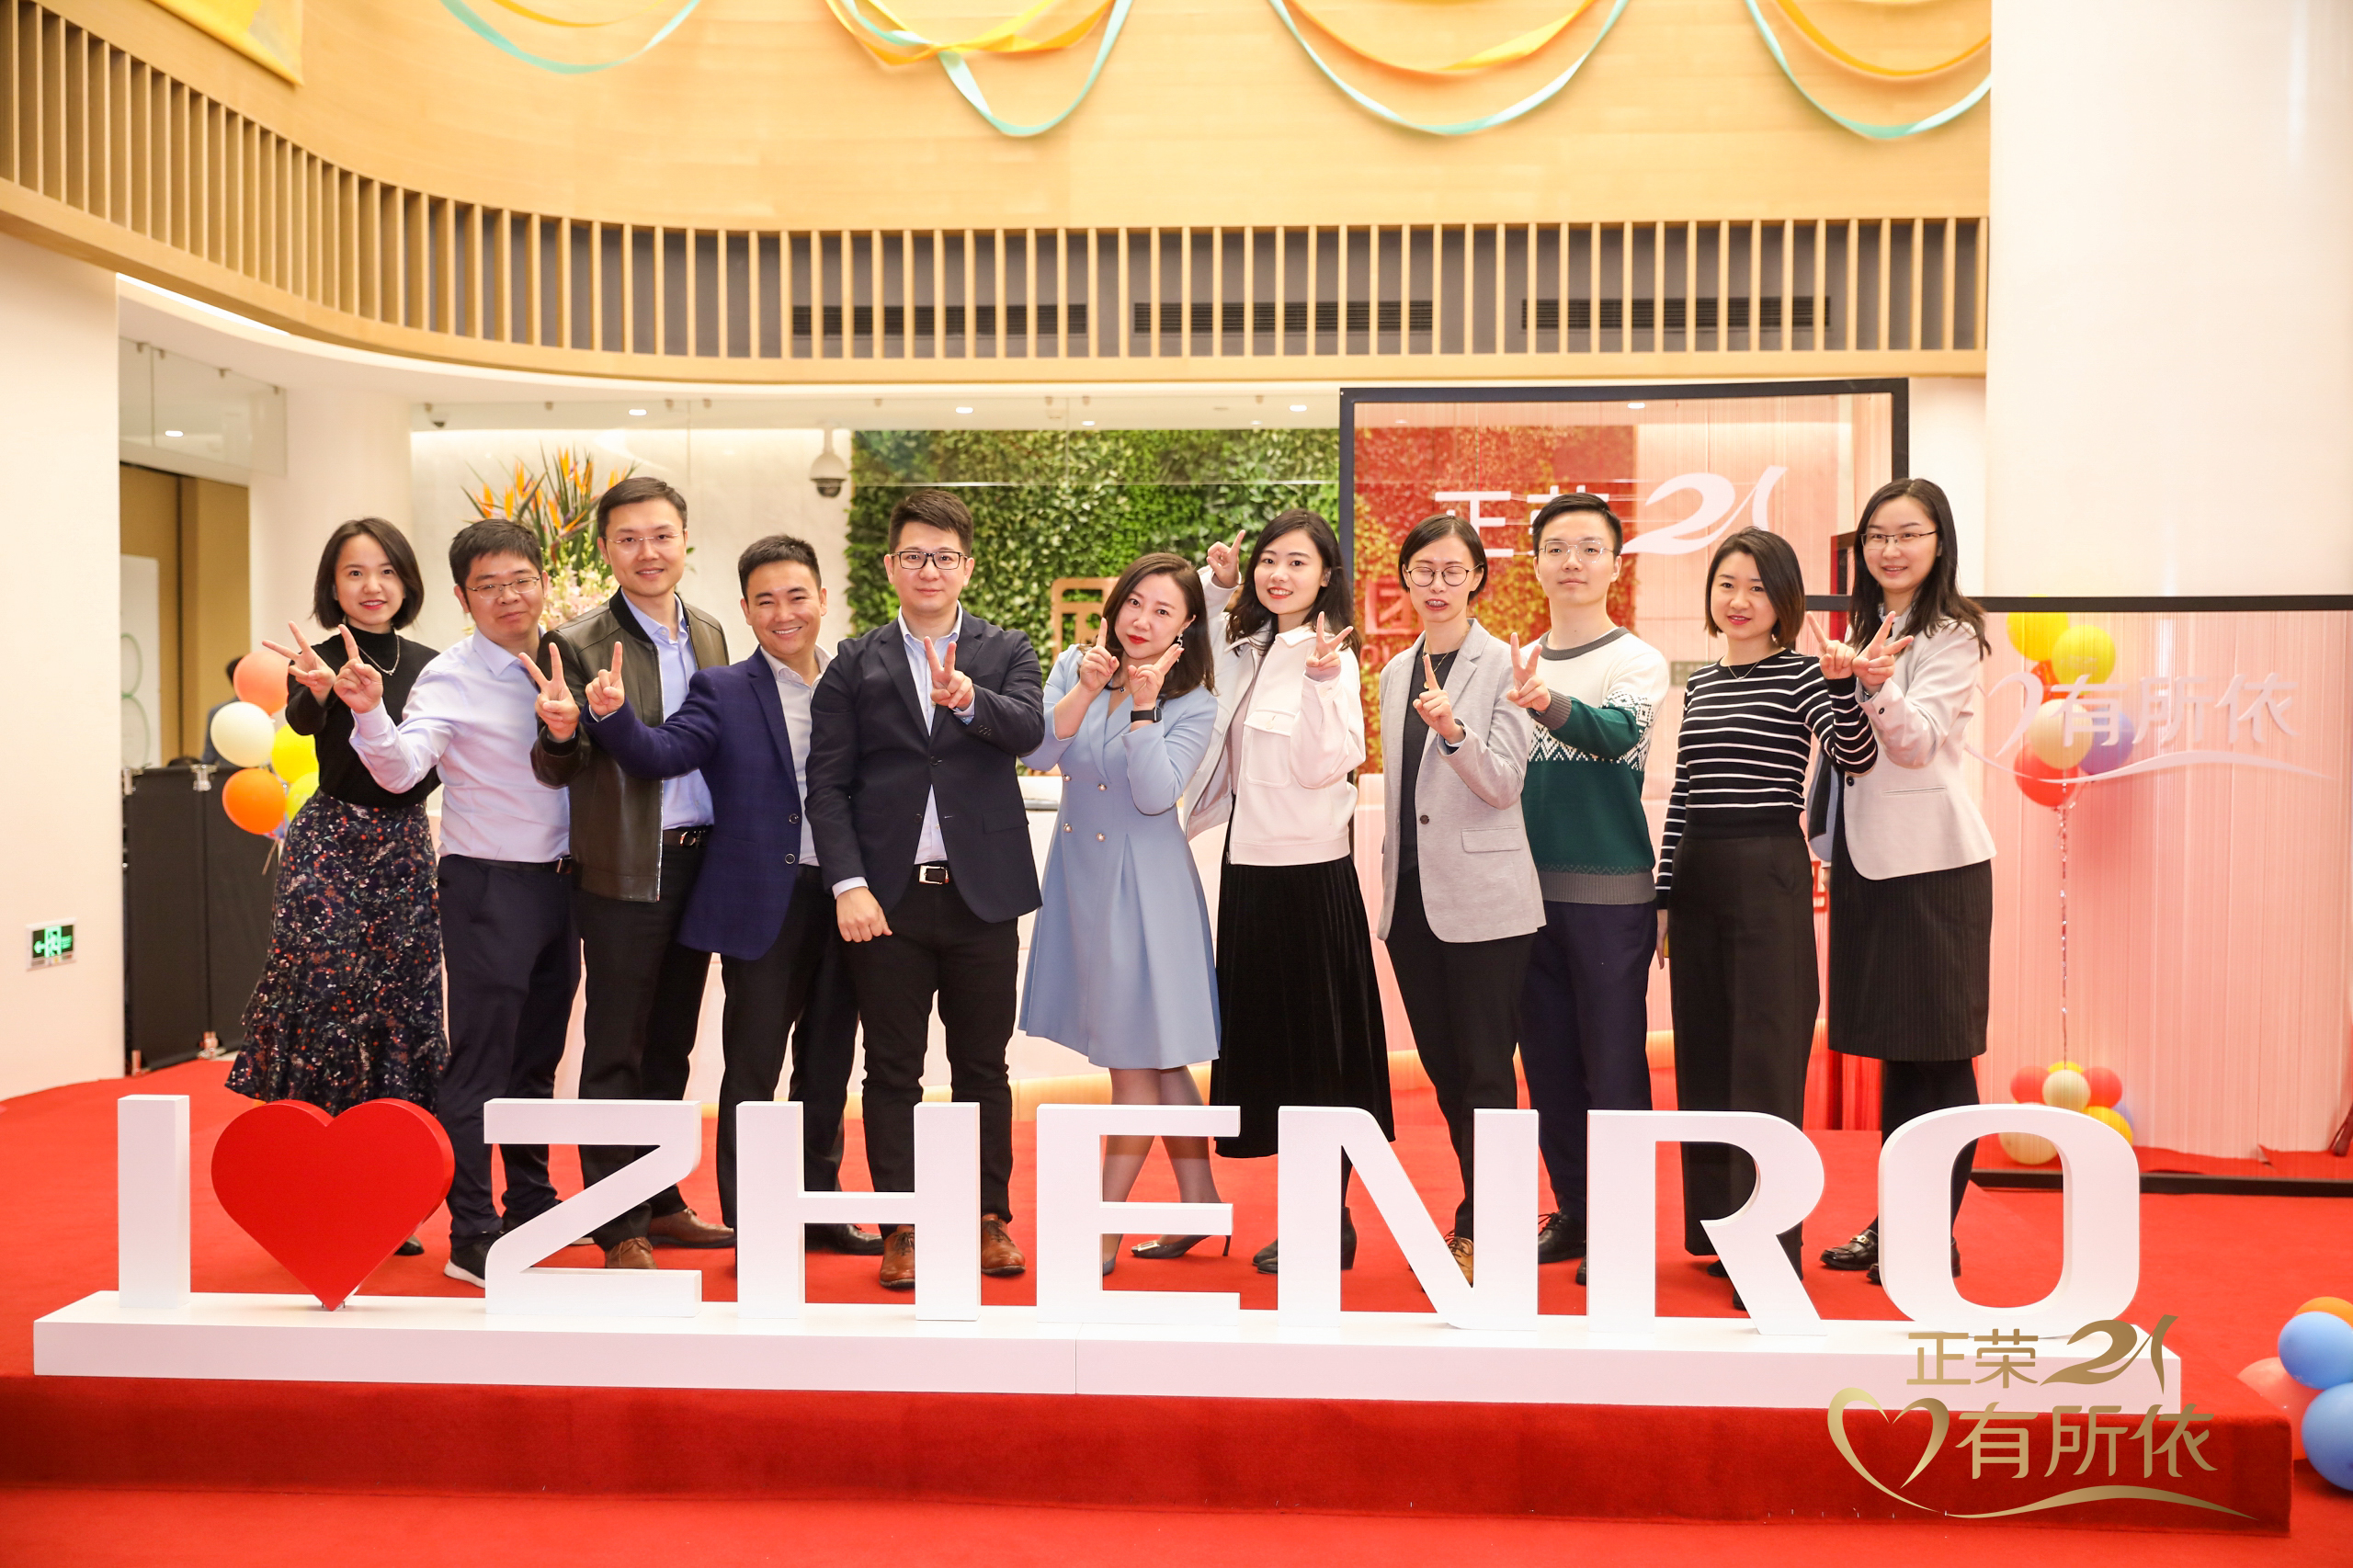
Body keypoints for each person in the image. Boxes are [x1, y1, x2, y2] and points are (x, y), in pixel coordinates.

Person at [575, 535, 881, 1257]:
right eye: (765, 600)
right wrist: (613, 716)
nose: (784, 613)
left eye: (796, 596)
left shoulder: (858, 684)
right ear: (745, 610)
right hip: (764, 902)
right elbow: (661, 753)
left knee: (828, 1062)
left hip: (850, 896)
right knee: (753, 1068)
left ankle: (818, 1205)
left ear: (823, 599)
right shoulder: (723, 689)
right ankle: (755, 1221)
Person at [806, 488, 1044, 1290]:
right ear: (890, 567)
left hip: (983, 896)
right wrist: (848, 883)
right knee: (891, 1071)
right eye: (914, 556)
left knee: (983, 1067)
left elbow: (1030, 730)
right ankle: (902, 1226)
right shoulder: (854, 662)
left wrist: (970, 700)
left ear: (967, 566)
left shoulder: (1006, 650)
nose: (929, 569)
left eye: (944, 556)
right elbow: (828, 785)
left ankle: (986, 1218)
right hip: (887, 902)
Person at [341, 518, 585, 1289]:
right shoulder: (448, 677)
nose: (509, 597)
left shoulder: (570, 659)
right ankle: (472, 1230)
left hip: (564, 885)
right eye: (488, 586)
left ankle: (532, 1202)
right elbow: (399, 771)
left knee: (538, 1057)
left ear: (543, 582)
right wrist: (370, 712)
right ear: (461, 596)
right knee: (482, 1058)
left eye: (521, 580)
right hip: (488, 886)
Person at [1657, 526, 1876, 1307]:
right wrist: (1662, 897)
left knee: (1766, 1060)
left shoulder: (1803, 676)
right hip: (1697, 875)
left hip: (1768, 872)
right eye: (1727, 584)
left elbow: (1856, 755)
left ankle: (1772, 1248)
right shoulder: (1702, 685)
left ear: (1783, 600)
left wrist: (1844, 686)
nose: (1739, 600)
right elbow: (1683, 791)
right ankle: (1722, 1231)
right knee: (1706, 1057)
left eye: (1756, 587)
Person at [529, 476, 734, 1271]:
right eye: (628, 539)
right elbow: (558, 767)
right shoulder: (575, 642)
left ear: (685, 540)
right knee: (616, 1046)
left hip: (702, 864)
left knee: (672, 1045)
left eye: (661, 535)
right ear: (607, 550)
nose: (647, 552)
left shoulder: (711, 632)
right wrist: (558, 733)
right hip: (622, 869)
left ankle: (660, 1197)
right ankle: (617, 1224)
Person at [1809, 478, 1995, 1288]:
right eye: (1878, 536)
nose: (1891, 549)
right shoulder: (1859, 629)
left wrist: (1877, 683)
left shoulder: (1952, 633)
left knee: (1940, 1056)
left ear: (1939, 543)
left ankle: (1930, 1236)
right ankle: (1897, 1221)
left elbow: (1916, 745)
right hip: (1867, 862)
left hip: (1936, 868)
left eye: (1909, 533)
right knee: (1898, 1054)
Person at [1189, 511, 1385, 1275]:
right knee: (1272, 1054)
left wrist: (1323, 684)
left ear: (1326, 576)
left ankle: (1326, 1220)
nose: (1279, 574)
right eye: (1269, 560)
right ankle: (1309, 1216)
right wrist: (1218, 584)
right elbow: (1192, 644)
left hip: (1309, 878)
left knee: (1319, 1060)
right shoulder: (1250, 645)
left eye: (1297, 563)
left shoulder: (1331, 656)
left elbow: (1322, 765)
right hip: (1249, 874)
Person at [1021, 552, 1223, 1274]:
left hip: (1147, 891)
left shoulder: (1195, 700)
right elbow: (1040, 751)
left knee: (1135, 1061)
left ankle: (1102, 1230)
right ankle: (1200, 1202)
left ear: (1186, 626)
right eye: (1135, 601)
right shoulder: (1077, 665)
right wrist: (1087, 688)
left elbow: (1154, 794)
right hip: (1082, 879)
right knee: (1159, 1056)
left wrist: (1143, 709)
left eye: (1163, 611)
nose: (1142, 620)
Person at [1500, 494, 1672, 1282]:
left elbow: (1617, 734)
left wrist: (1544, 700)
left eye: (1590, 548)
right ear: (1535, 564)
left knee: (1614, 1068)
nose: (1573, 562)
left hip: (1609, 896)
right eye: (1557, 548)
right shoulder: (1515, 658)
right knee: (1548, 1068)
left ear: (1615, 565)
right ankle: (1574, 1211)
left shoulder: (1636, 659)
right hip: (1521, 898)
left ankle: (1622, 1227)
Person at [233, 518, 446, 1143]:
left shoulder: (434, 668)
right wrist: (318, 692)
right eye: (355, 573)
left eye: (386, 571)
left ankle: (394, 1159)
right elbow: (302, 722)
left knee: (400, 994)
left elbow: (434, 762)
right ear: (333, 585)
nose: (372, 585)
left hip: (403, 845)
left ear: (407, 582)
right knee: (324, 989)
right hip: (328, 842)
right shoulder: (315, 660)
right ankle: (310, 1152)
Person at [1373, 514, 1540, 1284]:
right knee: (1444, 1070)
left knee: (1485, 1072)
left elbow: (1504, 783)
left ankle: (1489, 1228)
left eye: (1452, 571)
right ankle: (1485, 1215)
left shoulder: (1508, 663)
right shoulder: (1392, 671)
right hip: (1412, 903)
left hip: (1486, 902)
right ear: (1406, 578)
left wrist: (1452, 732)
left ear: (1477, 578)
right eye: (1423, 570)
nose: (1436, 585)